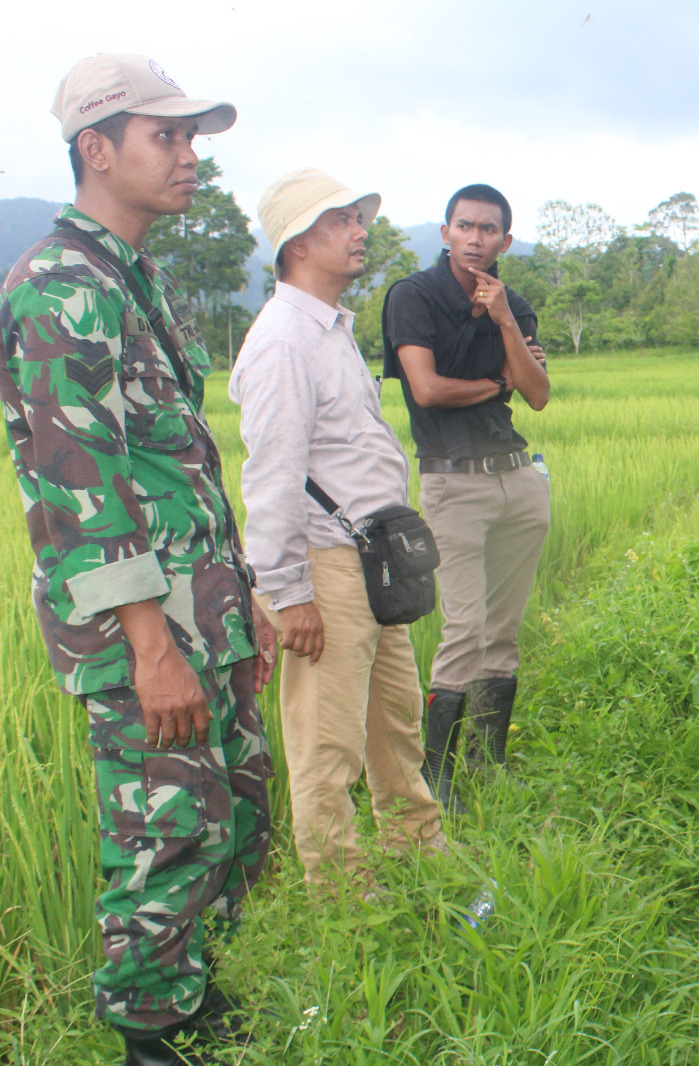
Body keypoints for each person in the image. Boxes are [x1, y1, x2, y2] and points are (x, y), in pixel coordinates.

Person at [0, 53, 275, 1064]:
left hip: (201, 606)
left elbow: (184, 466)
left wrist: (236, 613)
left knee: (230, 812)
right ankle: (148, 1035)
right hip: (141, 626)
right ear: (96, 148)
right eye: (167, 136)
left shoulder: (133, 275)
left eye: (192, 136)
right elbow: (81, 489)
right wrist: (151, 646)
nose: (189, 155)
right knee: (164, 828)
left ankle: (192, 999)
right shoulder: (58, 288)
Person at [230, 169, 445, 882]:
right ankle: (342, 908)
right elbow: (270, 477)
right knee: (328, 745)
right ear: (296, 243)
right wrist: (288, 595)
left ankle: (420, 857)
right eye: (340, 221)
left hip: (370, 560)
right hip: (325, 568)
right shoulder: (284, 341)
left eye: (358, 218)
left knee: (394, 724)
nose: (359, 232)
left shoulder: (329, 331)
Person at [381, 184, 550, 810]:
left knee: (502, 634)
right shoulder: (413, 297)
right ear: (447, 233)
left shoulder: (517, 305)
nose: (476, 239)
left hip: (518, 479)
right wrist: (499, 378)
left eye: (489, 230)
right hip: (455, 482)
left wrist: (505, 321)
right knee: (465, 630)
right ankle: (439, 780)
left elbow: (537, 394)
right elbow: (425, 390)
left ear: (506, 240)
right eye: (465, 226)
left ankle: (488, 764)